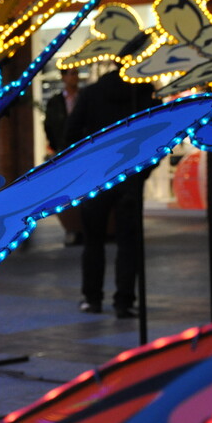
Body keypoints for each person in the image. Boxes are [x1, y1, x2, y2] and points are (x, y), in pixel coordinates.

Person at [63, 64, 159, 318]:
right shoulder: (143, 93)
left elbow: (71, 133)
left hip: (96, 177)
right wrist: (143, 172)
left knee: (93, 241)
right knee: (129, 243)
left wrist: (81, 171)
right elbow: (157, 137)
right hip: (129, 177)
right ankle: (124, 301)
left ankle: (92, 298)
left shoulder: (91, 93)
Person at [43, 68, 84, 246]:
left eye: (76, 73)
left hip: (82, 150)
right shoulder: (56, 102)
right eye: (70, 74)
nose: (73, 77)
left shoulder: (84, 98)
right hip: (64, 151)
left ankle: (83, 227)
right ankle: (73, 228)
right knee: (68, 190)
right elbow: (50, 125)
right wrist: (57, 145)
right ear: (63, 77)